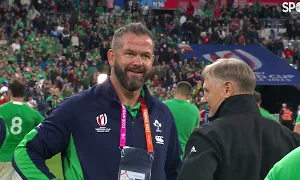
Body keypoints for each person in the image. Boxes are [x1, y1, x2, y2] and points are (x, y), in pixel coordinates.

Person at [13, 23, 182, 180]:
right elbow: (26, 152)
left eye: (145, 56)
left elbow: (174, 172)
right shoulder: (78, 108)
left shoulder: (163, 115)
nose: (137, 62)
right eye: (129, 53)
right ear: (112, 57)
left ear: (152, 60)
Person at [177, 59, 300, 180]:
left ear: (227, 89)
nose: (203, 99)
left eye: (207, 91)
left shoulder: (208, 136)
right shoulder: (291, 139)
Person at [0, 79, 44, 179]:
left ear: (10, 92)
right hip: (23, 159)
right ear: (24, 94)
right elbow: (46, 128)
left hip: (3, 156)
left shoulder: (2, 109)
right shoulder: (32, 113)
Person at [164, 81, 200, 159]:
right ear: (188, 96)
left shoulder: (163, 106)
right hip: (183, 156)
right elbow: (195, 132)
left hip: (165, 154)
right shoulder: (195, 110)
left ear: (175, 91)